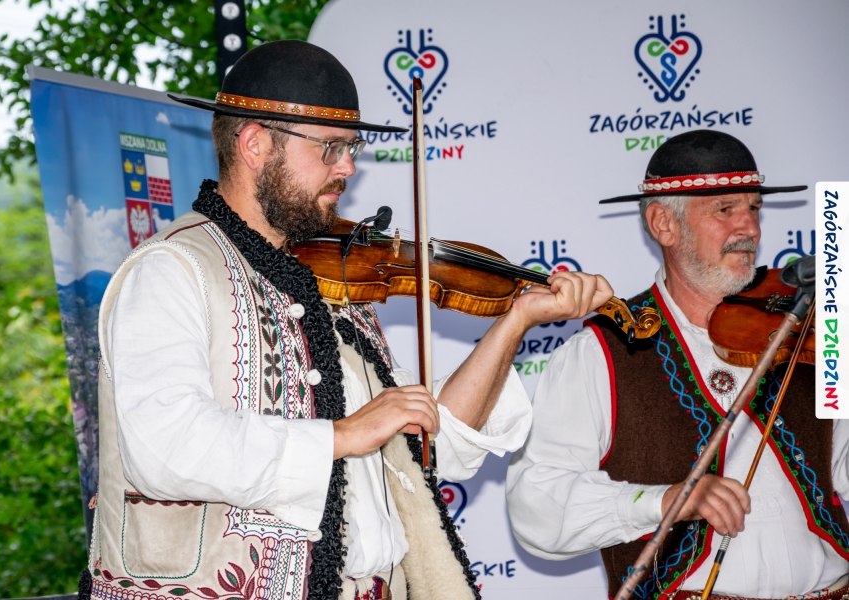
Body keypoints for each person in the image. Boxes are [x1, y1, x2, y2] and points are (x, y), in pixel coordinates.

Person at [85, 40, 612, 600]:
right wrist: (343, 434)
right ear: (255, 144)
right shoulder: (172, 268)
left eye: (351, 146)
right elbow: (165, 447)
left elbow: (426, 444)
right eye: (330, 147)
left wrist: (516, 319)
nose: (349, 167)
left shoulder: (334, 280)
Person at [506, 130, 849, 600]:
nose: (749, 227)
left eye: (754, 207)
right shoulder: (600, 352)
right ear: (664, 224)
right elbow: (537, 505)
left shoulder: (809, 326)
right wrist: (664, 501)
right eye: (725, 210)